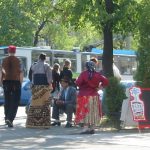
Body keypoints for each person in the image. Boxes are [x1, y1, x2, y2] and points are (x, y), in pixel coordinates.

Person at [75, 61, 109, 134]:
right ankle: (92, 128)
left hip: (84, 96)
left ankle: (85, 128)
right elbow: (106, 81)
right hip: (94, 96)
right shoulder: (98, 74)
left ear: (86, 67)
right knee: (93, 112)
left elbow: (78, 83)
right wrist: (100, 87)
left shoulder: (83, 74)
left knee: (85, 112)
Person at [26, 53, 53, 129]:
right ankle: (44, 123)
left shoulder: (33, 66)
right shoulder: (46, 66)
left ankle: (32, 123)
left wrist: (33, 84)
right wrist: (50, 85)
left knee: (34, 105)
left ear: (39, 58)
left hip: (35, 88)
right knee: (45, 105)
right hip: (44, 89)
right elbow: (49, 79)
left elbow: (30, 76)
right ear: (45, 59)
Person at [1, 45, 24, 128]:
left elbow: (1, 72)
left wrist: (1, 82)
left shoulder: (3, 60)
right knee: (15, 101)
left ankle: (7, 116)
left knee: (7, 100)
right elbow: (21, 73)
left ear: (8, 51)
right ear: (15, 52)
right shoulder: (19, 60)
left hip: (6, 82)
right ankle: (10, 119)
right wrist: (20, 83)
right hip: (16, 82)